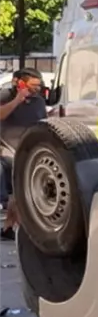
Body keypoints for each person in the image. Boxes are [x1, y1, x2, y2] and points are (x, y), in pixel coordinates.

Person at [0, 69, 47, 241]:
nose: (37, 89)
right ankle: (22, 228)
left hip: (27, 149)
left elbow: (42, 122)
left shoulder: (38, 101)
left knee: (18, 190)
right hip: (6, 149)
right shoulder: (5, 96)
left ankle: (9, 227)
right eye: (33, 85)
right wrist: (17, 100)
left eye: (38, 86)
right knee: (18, 189)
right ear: (18, 82)